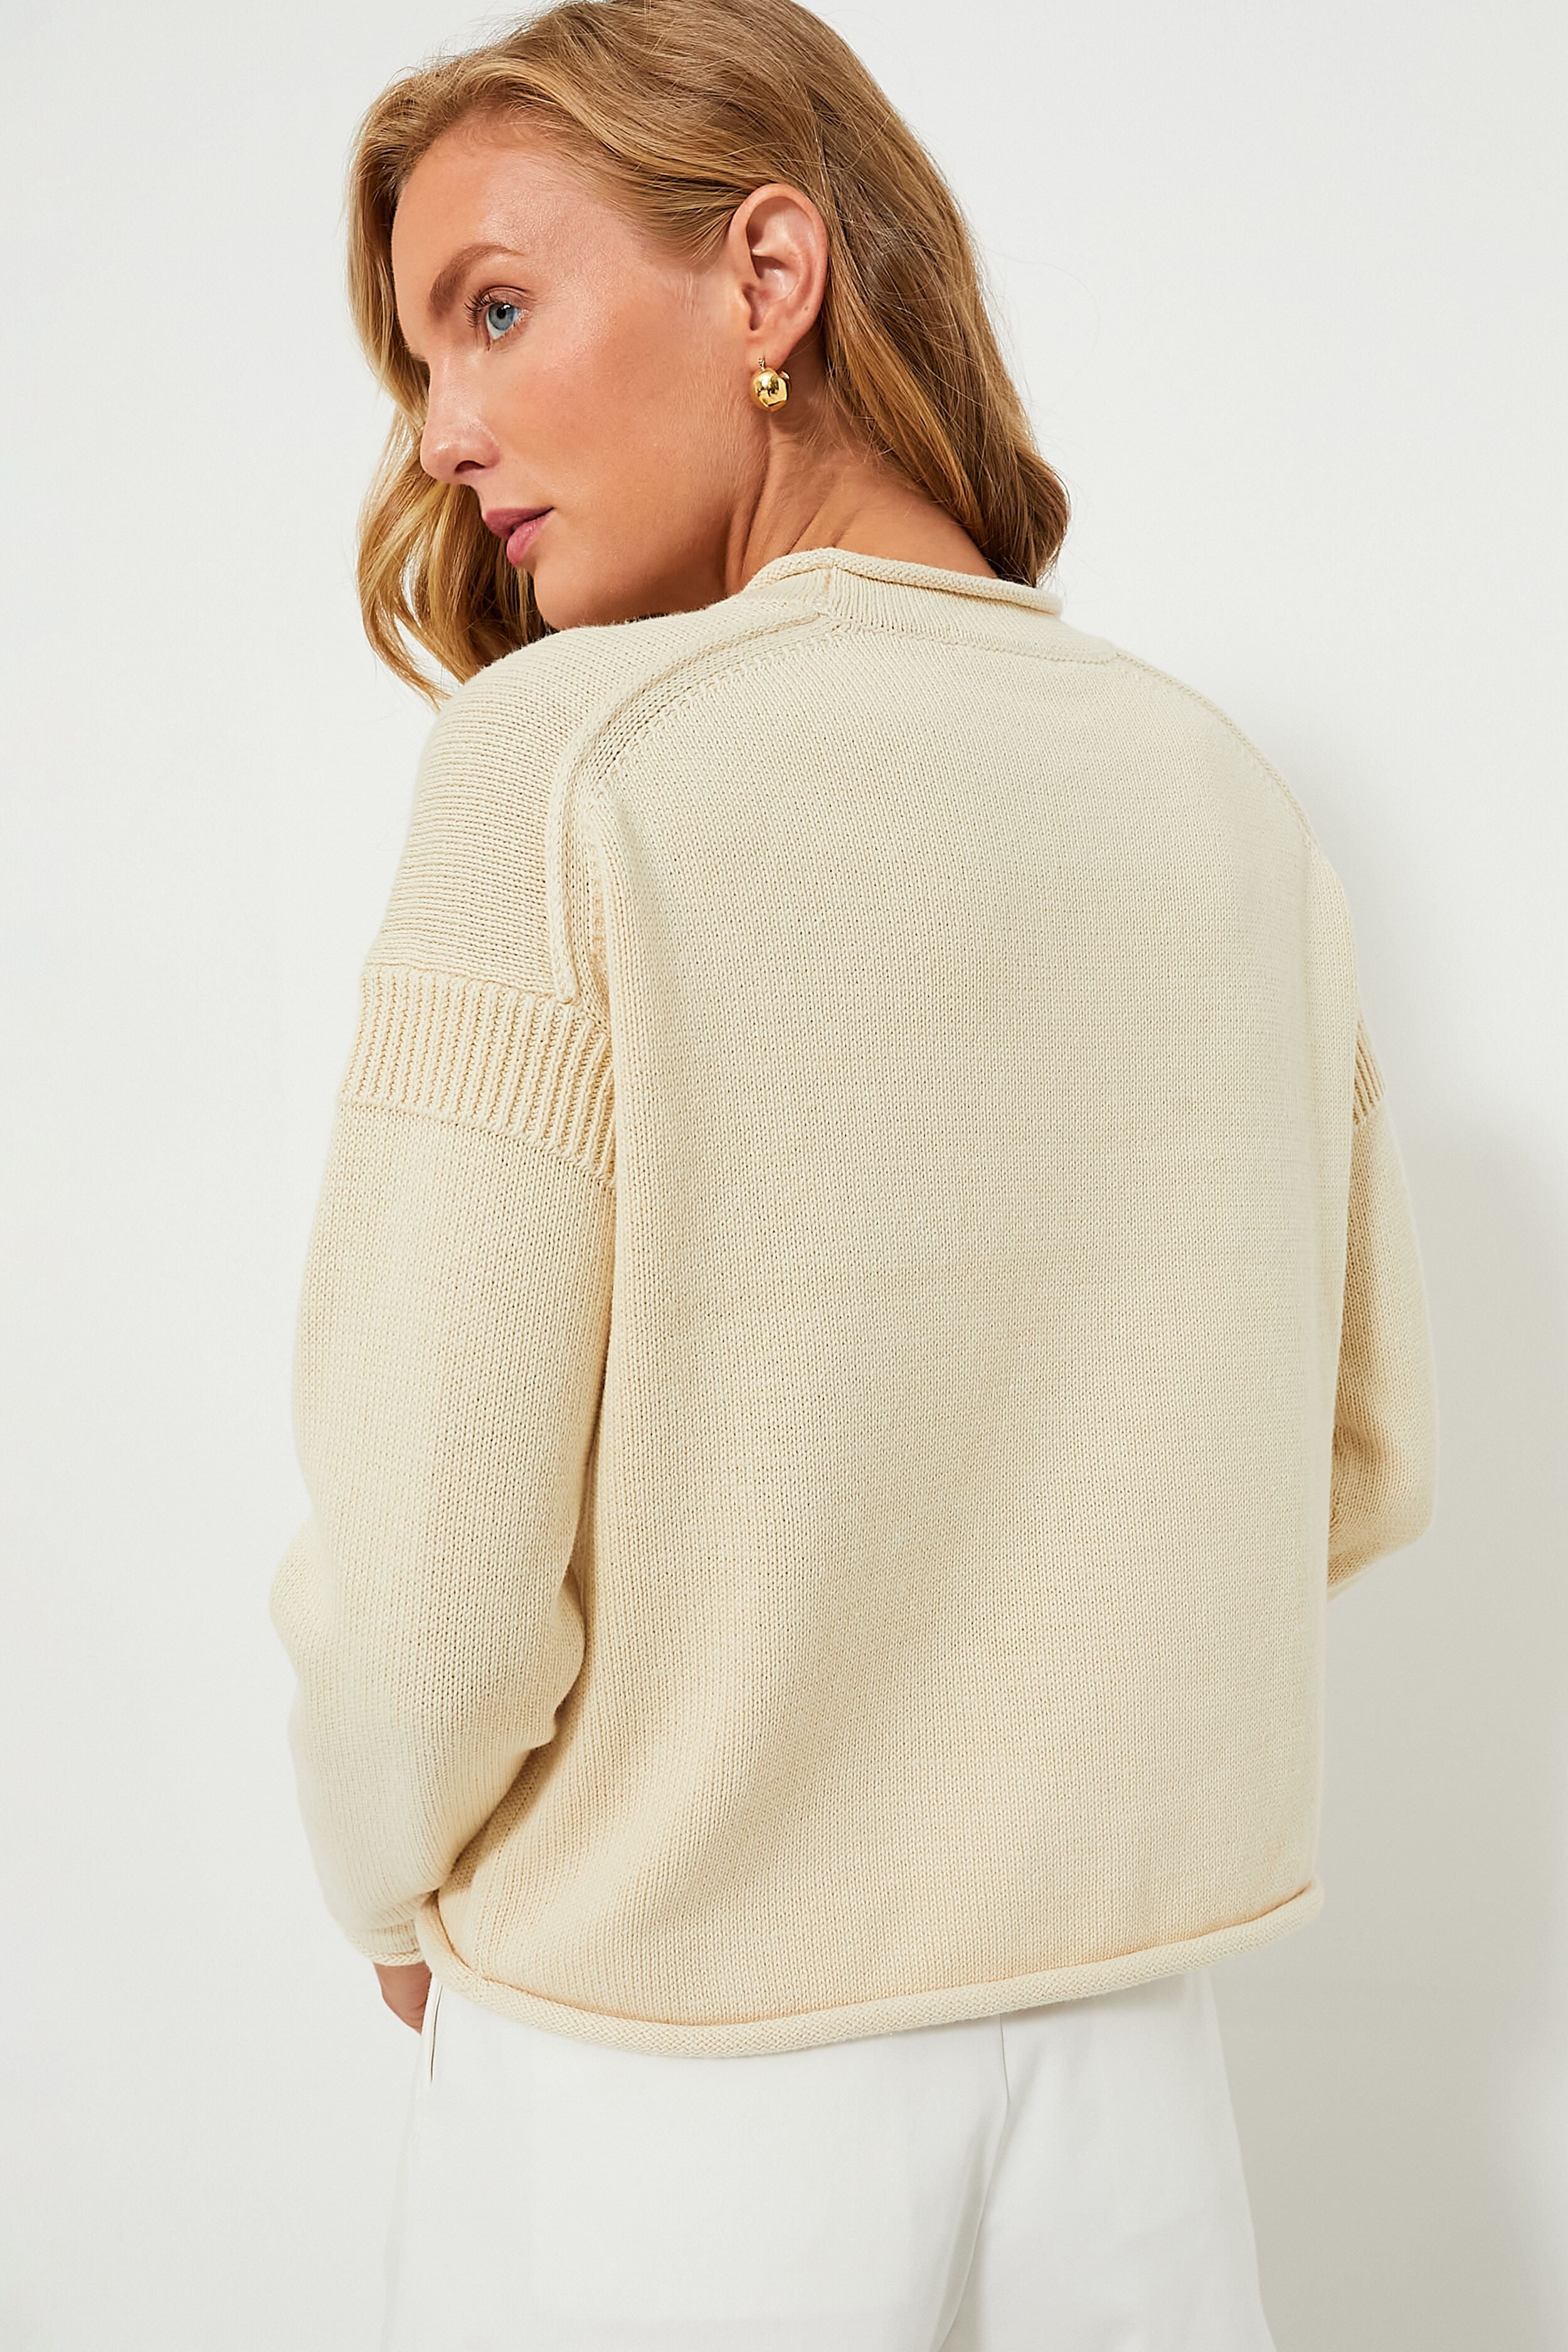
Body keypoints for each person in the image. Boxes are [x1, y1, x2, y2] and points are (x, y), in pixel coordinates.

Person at [267, 2, 1439, 2345]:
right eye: (421, 356)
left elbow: (427, 1584)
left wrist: (391, 1878)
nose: (442, 431)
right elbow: (1355, 1457)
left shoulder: (572, 764)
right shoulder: (1216, 798)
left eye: (491, 309)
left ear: (768, 275)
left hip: (668, 2089)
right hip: (1131, 2076)